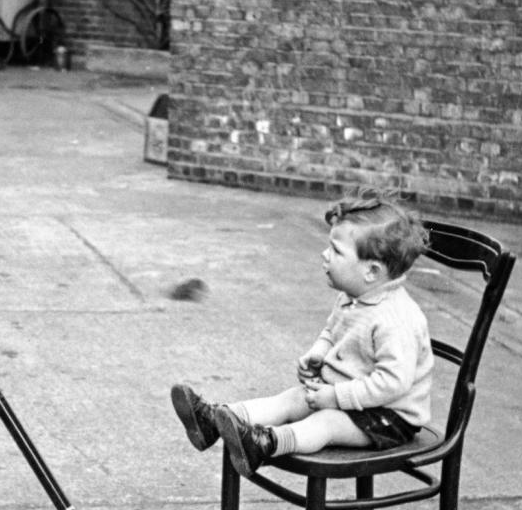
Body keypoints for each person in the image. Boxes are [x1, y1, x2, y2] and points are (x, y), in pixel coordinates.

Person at [171, 191, 433, 477]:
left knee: (327, 423)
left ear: (371, 271)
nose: (325, 255)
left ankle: (265, 443)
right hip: (349, 395)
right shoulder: (352, 297)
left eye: (336, 250)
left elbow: (392, 383)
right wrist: (319, 352)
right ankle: (215, 420)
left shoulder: (396, 319)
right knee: (293, 398)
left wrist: (336, 397)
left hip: (389, 418)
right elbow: (332, 332)